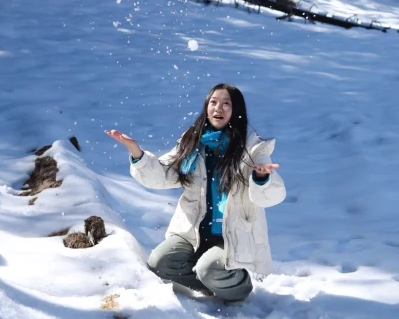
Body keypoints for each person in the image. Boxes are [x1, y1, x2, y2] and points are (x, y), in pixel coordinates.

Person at [106, 83, 285, 304]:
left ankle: (239, 287)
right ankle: (214, 281)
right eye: (213, 102)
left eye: (226, 104)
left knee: (209, 268)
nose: (218, 109)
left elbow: (273, 195)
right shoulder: (193, 141)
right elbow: (165, 174)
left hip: (230, 235)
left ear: (236, 110)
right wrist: (136, 152)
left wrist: (261, 178)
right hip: (193, 229)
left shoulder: (252, 149)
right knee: (160, 263)